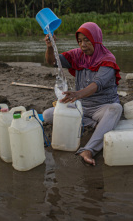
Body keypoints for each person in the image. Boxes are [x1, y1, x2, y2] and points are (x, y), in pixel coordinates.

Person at [42, 22, 123, 166]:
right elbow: (53, 61)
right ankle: (95, 125)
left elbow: (96, 85)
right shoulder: (77, 55)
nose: (83, 45)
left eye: (86, 40)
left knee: (116, 109)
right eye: (79, 41)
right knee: (48, 115)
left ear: (96, 39)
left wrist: (77, 94)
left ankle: (89, 149)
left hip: (101, 107)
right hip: (82, 107)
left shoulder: (108, 59)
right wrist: (49, 47)